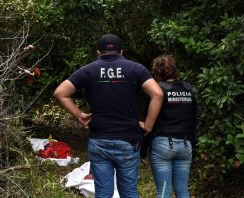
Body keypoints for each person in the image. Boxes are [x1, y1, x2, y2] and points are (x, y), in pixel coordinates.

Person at [54, 34, 163, 198]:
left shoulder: (88, 70)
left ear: (98, 52)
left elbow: (60, 93)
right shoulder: (136, 69)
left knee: (103, 193)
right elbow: (158, 94)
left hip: (99, 141)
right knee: (129, 192)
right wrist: (148, 126)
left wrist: (80, 114)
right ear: (122, 51)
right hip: (128, 140)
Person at [139, 54, 198, 198]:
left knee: (164, 191)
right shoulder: (189, 89)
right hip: (185, 144)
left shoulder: (157, 91)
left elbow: (149, 122)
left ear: (156, 71)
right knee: (183, 190)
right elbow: (195, 117)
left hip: (162, 144)